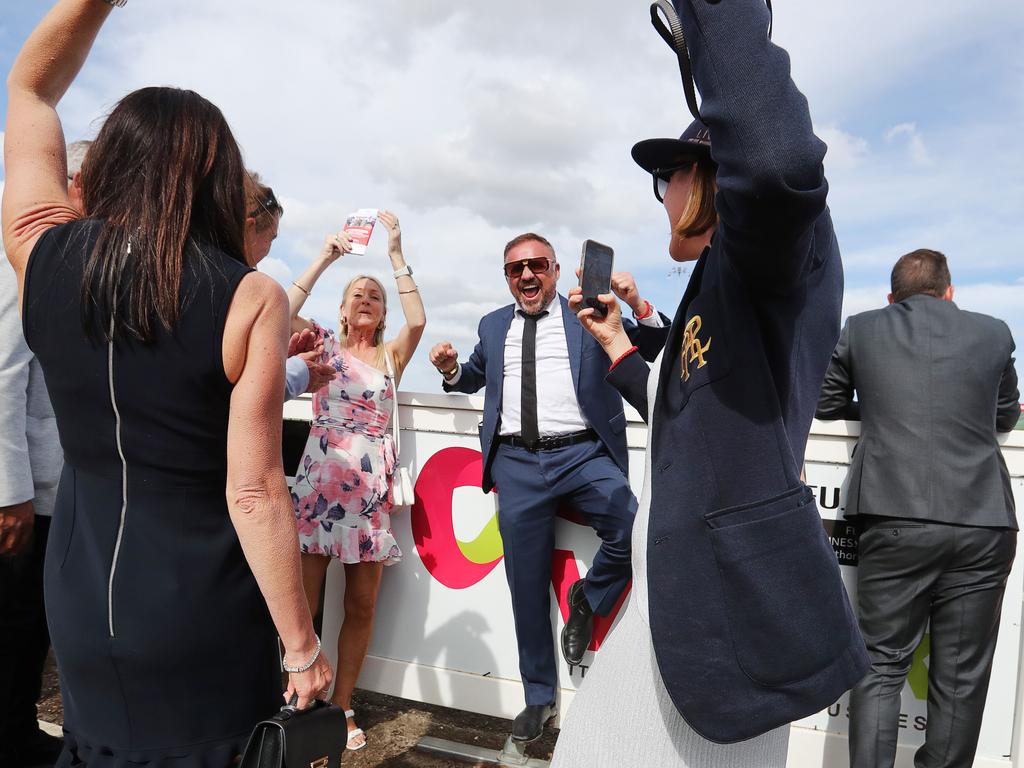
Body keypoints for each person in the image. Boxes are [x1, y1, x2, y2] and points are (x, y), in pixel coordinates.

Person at [2, 2, 332, 766]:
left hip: (80, 599)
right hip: (200, 607)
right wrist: (300, 644)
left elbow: (30, 93)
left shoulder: (39, 256)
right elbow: (254, 492)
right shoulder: (250, 297)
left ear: (109, 164)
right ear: (219, 182)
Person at [551, 0, 869, 764]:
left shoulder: (774, 255)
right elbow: (686, 407)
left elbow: (778, 156)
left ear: (710, 176)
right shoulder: (724, 284)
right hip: (674, 615)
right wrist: (619, 348)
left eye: (667, 175)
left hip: (722, 639)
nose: (661, 193)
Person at [428, 232, 639, 744]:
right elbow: (474, 375)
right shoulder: (493, 324)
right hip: (518, 464)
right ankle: (538, 697)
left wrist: (636, 305)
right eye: (515, 269)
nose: (526, 275)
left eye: (537, 265)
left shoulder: (587, 314)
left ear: (556, 270)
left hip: (582, 454)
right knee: (525, 585)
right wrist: (451, 370)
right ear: (507, 277)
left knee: (634, 525)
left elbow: (642, 346)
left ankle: (589, 598)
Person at [816, 249, 1020, 768]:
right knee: (960, 677)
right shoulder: (995, 332)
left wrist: (881, 403)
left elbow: (824, 403)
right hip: (983, 521)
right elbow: (1003, 417)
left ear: (891, 298)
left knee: (881, 666)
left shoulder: (863, 329)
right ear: (950, 293)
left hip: (894, 516)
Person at [287, 210, 426, 751]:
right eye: (357, 294)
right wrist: (328, 255)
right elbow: (283, 311)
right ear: (342, 310)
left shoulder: (392, 357)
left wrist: (394, 253)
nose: (366, 299)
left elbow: (418, 320)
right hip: (321, 486)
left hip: (369, 496)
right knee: (306, 602)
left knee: (362, 606)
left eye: (375, 296)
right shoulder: (321, 343)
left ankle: (342, 706)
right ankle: (296, 697)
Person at [0, 140, 87, 768]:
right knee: (15, 623)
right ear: (73, 185)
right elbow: (2, 375)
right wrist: (10, 492)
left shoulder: (68, 263)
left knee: (29, 627)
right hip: (25, 495)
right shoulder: (23, 263)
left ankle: (18, 730)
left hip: (54, 491)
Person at [242, 172, 334, 399]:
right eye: (271, 238)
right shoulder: (240, 287)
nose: (269, 249)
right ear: (250, 228)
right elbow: (242, 389)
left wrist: (281, 363)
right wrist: (299, 372)